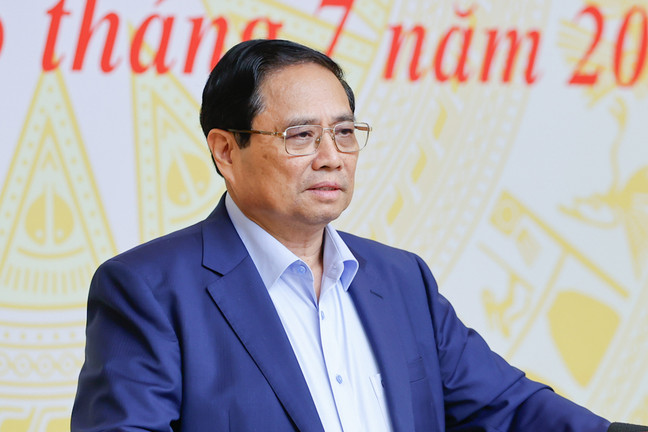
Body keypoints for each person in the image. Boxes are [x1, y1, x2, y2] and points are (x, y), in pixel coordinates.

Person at [71, 39, 646, 432]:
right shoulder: (148, 290)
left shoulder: (401, 280)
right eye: (301, 135)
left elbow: (509, 409)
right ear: (225, 150)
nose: (331, 157)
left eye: (345, 133)